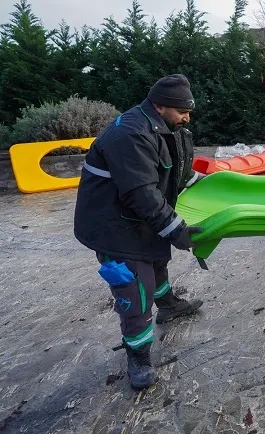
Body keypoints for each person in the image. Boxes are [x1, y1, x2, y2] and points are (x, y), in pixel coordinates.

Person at [74, 74, 207, 389]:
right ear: (160, 106)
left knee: (156, 260)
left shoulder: (165, 127)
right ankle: (138, 356)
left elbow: (176, 172)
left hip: (138, 217)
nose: (187, 118)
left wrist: (211, 187)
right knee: (135, 290)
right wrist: (177, 230)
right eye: (182, 111)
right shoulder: (130, 135)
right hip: (113, 226)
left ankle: (169, 306)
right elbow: (141, 194)